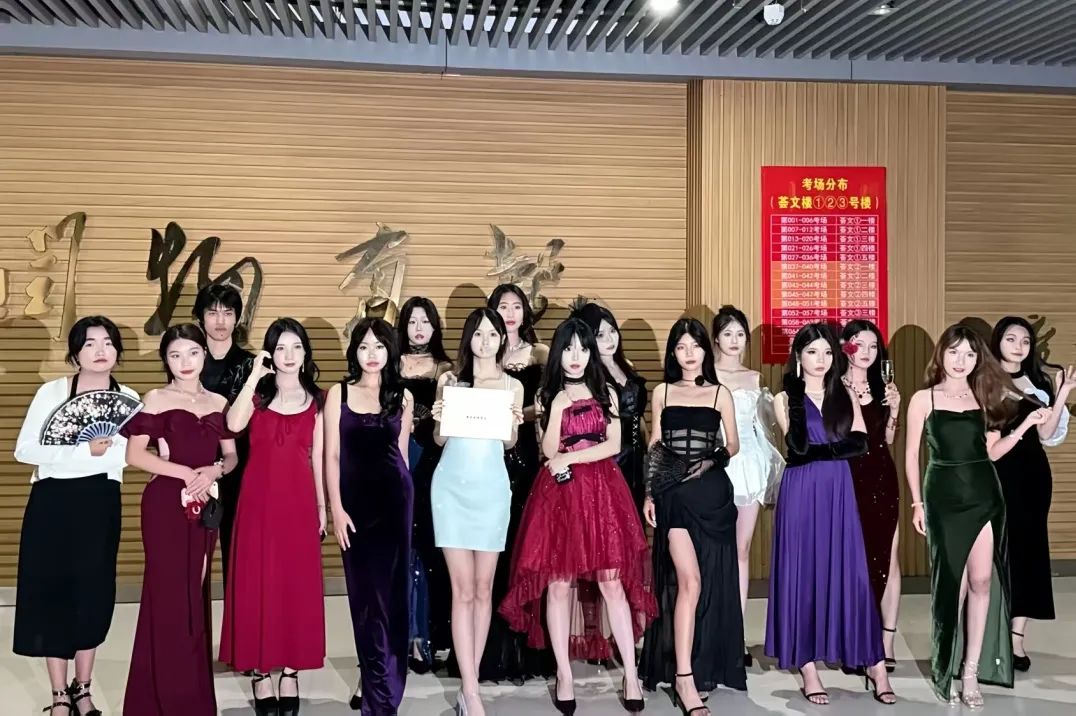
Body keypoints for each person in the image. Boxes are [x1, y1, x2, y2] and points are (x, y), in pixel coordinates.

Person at [501, 317, 656, 715]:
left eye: (583, 349)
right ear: (558, 352)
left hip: (602, 491)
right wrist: (557, 407)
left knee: (611, 582)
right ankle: (564, 674)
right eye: (569, 348)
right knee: (557, 584)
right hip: (559, 497)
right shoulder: (548, 395)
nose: (576, 356)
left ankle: (631, 673)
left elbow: (614, 444)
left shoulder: (606, 392)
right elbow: (548, 450)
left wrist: (571, 458)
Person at [904, 323, 1039, 705]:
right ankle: (945, 664)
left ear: (978, 358)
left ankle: (970, 672)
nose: (961, 361)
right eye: (954, 352)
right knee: (953, 586)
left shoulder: (985, 395)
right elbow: (911, 455)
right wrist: (917, 503)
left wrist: (1024, 426)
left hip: (984, 495)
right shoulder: (923, 399)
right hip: (943, 497)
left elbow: (992, 452)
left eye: (969, 354)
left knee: (981, 581)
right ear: (941, 354)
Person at [13, 316, 138, 716]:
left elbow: (127, 456)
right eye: (89, 343)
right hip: (52, 503)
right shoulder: (52, 392)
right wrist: (84, 451)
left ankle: (83, 689)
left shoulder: (128, 397)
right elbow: (24, 450)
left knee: (92, 594)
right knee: (53, 593)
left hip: (101, 503)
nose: (101, 350)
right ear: (75, 353)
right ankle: (59, 695)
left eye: (108, 342)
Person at [766, 322, 895, 706]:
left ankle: (875, 664)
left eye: (826, 352)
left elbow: (861, 442)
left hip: (839, 490)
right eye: (811, 352)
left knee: (852, 574)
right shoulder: (784, 398)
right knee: (803, 574)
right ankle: (807, 667)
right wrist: (835, 448)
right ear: (798, 356)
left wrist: (827, 451)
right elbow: (797, 447)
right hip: (801, 492)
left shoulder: (844, 393)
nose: (820, 360)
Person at [121, 323, 238, 715]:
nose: (184, 362)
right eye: (175, 355)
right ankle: (160, 698)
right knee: (168, 595)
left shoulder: (219, 401)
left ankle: (191, 696)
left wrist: (214, 470)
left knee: (194, 594)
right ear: (166, 360)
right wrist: (186, 473)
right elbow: (135, 455)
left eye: (192, 352)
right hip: (165, 504)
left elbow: (231, 455)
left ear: (205, 354)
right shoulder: (155, 398)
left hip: (205, 502)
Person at [220, 318, 327, 716]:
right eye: (280, 348)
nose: (288, 355)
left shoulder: (319, 401)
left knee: (295, 586)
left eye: (296, 347)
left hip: (299, 503)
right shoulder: (257, 397)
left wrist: (322, 508)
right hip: (257, 503)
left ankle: (291, 670)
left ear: (306, 353)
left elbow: (320, 459)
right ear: (270, 354)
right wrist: (254, 375)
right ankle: (261, 672)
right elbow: (232, 424)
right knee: (258, 583)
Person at [639, 318, 745, 716]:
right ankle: (683, 677)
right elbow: (655, 444)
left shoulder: (719, 393)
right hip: (673, 496)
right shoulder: (662, 391)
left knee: (712, 582)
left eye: (695, 346)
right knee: (689, 581)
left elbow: (733, 443)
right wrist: (649, 493)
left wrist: (713, 459)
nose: (689, 353)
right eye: (681, 347)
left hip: (713, 495)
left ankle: (704, 663)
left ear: (705, 350)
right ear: (673, 352)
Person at [430, 307, 524, 716]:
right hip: (451, 489)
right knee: (462, 590)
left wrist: (515, 422)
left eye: (492, 334)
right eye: (478, 333)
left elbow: (508, 442)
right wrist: (439, 417)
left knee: (484, 589)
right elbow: (440, 439)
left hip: (491, 490)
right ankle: (470, 690)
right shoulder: (451, 381)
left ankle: (470, 684)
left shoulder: (513, 386)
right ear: (468, 338)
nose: (485, 341)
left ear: (502, 339)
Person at [325, 318, 415, 716]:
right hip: (355, 509)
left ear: (390, 351)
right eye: (364, 347)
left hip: (395, 502)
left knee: (392, 599)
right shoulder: (339, 393)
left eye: (379, 346)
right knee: (365, 601)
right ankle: (378, 685)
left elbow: (403, 455)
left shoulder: (402, 396)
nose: (372, 354)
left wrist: (410, 507)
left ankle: (384, 695)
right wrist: (336, 508)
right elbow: (331, 455)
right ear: (354, 352)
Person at [478, 283, 554, 685]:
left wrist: (516, 413)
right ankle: (490, 651)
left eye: (516, 306)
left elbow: (547, 406)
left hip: (524, 454)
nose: (509, 313)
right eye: (502, 306)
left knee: (525, 548)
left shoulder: (539, 354)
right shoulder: (482, 352)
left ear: (526, 312)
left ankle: (529, 650)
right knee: (492, 548)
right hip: (486, 454)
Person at [990, 317, 1073, 672]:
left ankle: (1016, 638)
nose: (1019, 346)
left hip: (1033, 475)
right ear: (998, 342)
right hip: (996, 474)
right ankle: (988, 633)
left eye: (1025, 341)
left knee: (1029, 551)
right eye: (1011, 339)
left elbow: (1047, 435)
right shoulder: (984, 380)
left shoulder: (1038, 383)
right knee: (997, 552)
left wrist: (1063, 393)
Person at [710, 306, 783, 665]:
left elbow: (762, 428)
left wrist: (770, 467)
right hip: (717, 463)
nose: (735, 340)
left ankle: (736, 635)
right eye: (728, 334)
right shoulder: (706, 374)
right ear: (716, 339)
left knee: (741, 550)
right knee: (714, 551)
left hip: (750, 463)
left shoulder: (755, 378)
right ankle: (711, 631)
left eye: (740, 334)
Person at [396, 297, 454, 673]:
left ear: (435, 327)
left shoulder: (447, 368)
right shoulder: (390, 362)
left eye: (426, 322)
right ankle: (401, 635)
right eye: (413, 322)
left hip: (433, 461)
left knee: (430, 550)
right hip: (397, 458)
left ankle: (427, 637)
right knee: (402, 549)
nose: (419, 329)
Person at [841, 319, 902, 671]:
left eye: (874, 346)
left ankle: (886, 642)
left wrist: (894, 411)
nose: (867, 352)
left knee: (888, 558)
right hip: (847, 477)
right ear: (845, 346)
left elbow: (889, 439)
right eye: (859, 344)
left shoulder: (884, 387)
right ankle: (854, 640)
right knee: (854, 560)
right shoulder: (833, 386)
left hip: (882, 476)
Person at [192, 283, 254, 583]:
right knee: (192, 553)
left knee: (237, 552)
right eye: (212, 312)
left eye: (228, 313)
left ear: (237, 318)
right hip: (193, 464)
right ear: (200, 317)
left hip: (241, 466)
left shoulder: (251, 364)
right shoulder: (187, 360)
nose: (220, 321)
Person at [577, 302, 649, 515]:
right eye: (600, 335)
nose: (609, 339)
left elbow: (639, 416)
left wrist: (649, 453)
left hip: (637, 457)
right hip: (609, 458)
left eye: (612, 331)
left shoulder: (627, 366)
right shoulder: (588, 375)